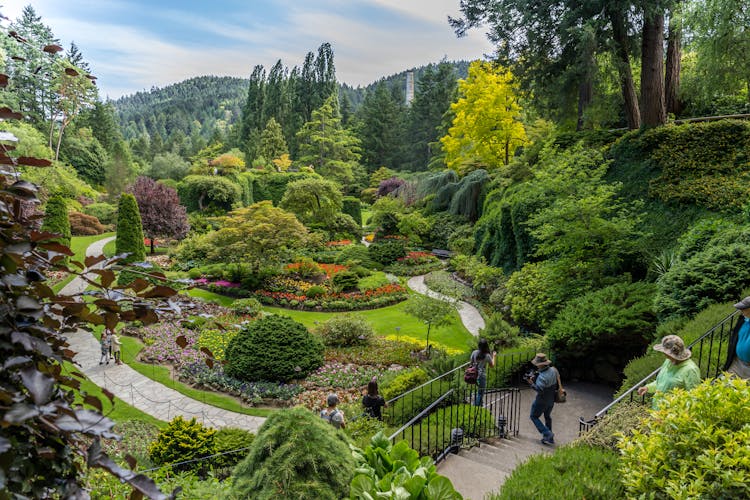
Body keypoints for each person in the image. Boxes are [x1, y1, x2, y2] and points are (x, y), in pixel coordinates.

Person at [637, 335, 701, 407]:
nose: (663, 353)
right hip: (658, 413)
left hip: (674, 415)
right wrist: (648, 388)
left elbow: (694, 398)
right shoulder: (668, 361)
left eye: (665, 351)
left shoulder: (690, 370)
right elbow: (663, 383)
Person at [527, 353, 559, 445]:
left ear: (540, 364)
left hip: (542, 400)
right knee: (547, 416)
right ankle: (549, 438)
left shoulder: (542, 377)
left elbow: (539, 390)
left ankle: (547, 433)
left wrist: (531, 383)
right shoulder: (553, 370)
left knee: (533, 416)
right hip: (551, 400)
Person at [723, 296, 750, 379]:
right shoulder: (743, 320)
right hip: (737, 362)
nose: (741, 310)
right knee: (726, 384)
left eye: (743, 308)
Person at [470, 338, 496, 406]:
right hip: (481, 376)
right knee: (480, 393)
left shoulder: (474, 352)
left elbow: (471, 363)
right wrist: (494, 356)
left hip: (474, 375)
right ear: (486, 346)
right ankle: (476, 407)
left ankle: (479, 404)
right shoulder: (487, 356)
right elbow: (492, 365)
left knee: (479, 391)